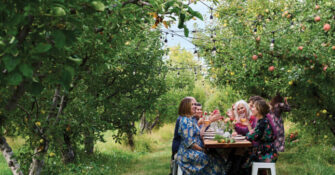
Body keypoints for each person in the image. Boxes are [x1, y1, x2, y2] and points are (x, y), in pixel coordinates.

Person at [176, 97, 225, 174]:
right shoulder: (185, 121)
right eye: (192, 104)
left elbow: (199, 134)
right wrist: (203, 150)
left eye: (195, 104)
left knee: (217, 156)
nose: (195, 106)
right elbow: (190, 143)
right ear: (186, 106)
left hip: (194, 150)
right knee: (211, 159)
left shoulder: (191, 119)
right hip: (187, 154)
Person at [246, 100, 278, 169]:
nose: (251, 109)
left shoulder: (262, 123)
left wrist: (248, 134)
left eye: (253, 107)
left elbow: (253, 137)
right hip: (269, 152)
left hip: (266, 155)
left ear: (258, 110)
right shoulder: (263, 120)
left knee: (244, 158)